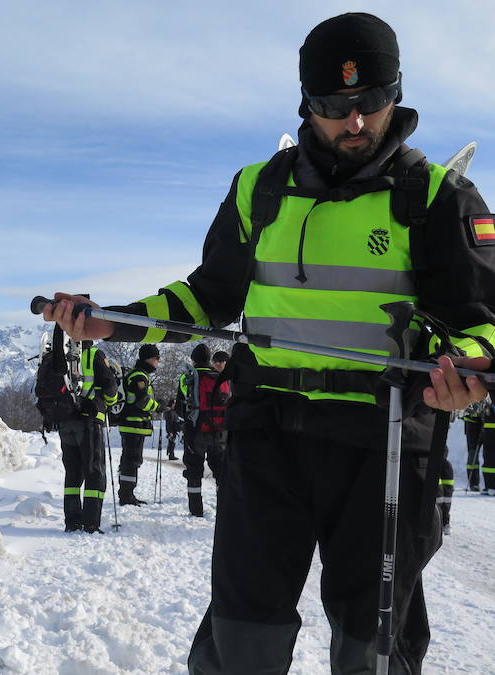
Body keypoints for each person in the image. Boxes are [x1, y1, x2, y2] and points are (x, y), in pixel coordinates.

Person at [44, 12, 495, 673]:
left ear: (395, 95)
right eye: (334, 107)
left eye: (370, 102)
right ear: (307, 105)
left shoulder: (438, 197)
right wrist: (115, 322)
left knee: (372, 647)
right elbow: (207, 298)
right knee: (241, 632)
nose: (356, 122)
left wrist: (472, 365)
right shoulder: (259, 189)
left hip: (387, 438)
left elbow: (480, 318)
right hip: (269, 435)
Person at [57, 339, 118, 533]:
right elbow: (110, 387)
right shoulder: (93, 354)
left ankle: (72, 522)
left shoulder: (60, 354)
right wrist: (109, 401)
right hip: (89, 420)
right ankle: (91, 523)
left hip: (65, 420)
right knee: (94, 472)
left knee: (73, 473)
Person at [174, 344, 230, 517]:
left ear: (193, 360)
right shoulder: (221, 377)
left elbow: (179, 407)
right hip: (219, 431)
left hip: (196, 430)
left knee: (194, 469)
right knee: (221, 470)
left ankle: (196, 509)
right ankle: (224, 509)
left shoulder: (188, 377)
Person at [116, 344, 160, 505]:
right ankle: (126, 495)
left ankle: (127, 493)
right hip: (133, 425)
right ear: (149, 358)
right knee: (131, 461)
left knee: (130, 460)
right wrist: (158, 406)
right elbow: (143, 401)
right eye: (157, 358)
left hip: (133, 425)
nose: (158, 362)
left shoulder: (139, 374)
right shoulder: (139, 377)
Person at [460, 400, 485, 491]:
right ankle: (473, 482)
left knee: (488, 455)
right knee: (473, 454)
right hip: (472, 425)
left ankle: (489, 483)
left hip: (486, 424)